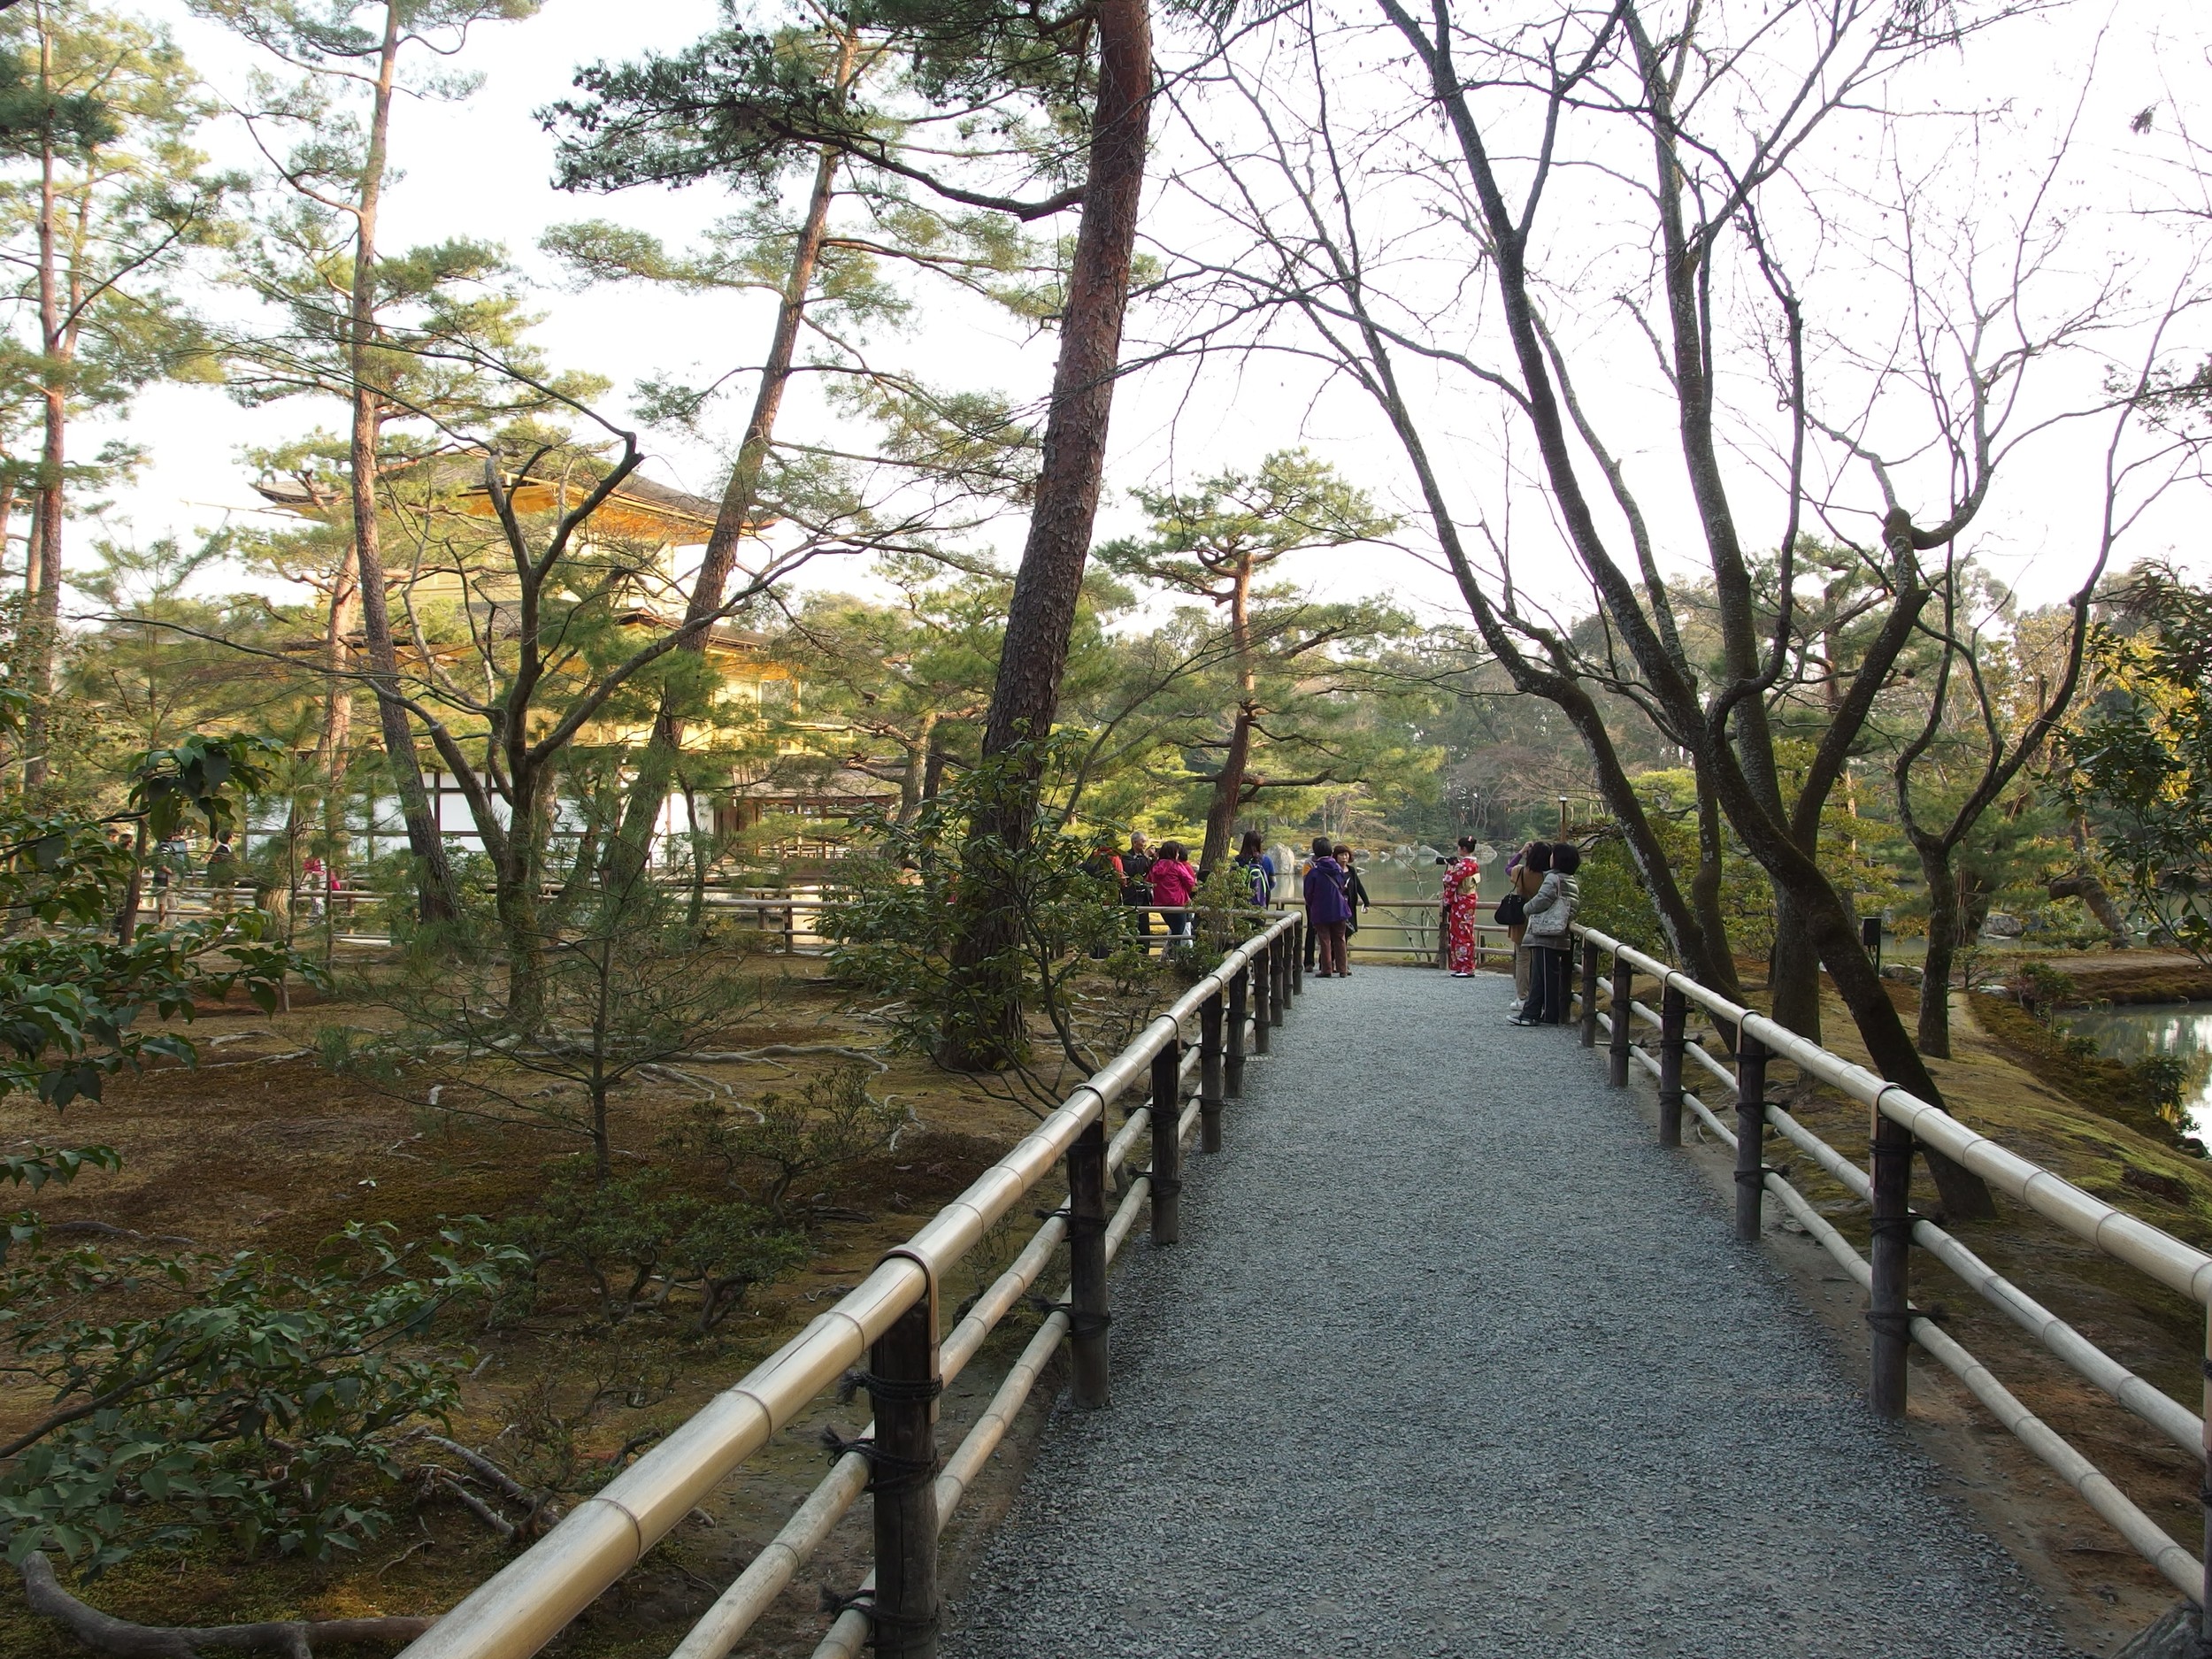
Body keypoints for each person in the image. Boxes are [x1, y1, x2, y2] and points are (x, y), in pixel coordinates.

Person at [1512, 841, 1581, 1025]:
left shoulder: (1553, 879)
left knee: (1542, 977)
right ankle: (1540, 1013)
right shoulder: (1570, 879)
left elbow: (1541, 900)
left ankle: (1538, 1014)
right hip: (1557, 933)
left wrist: (1526, 908)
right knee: (1546, 975)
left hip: (1546, 935)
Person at [1303, 834, 1351, 978]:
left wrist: (1312, 905)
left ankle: (1327, 969)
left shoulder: (1314, 872)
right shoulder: (1338, 869)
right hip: (1339, 908)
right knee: (1340, 938)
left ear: (1315, 853)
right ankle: (1343, 969)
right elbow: (1342, 887)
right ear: (1331, 852)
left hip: (1320, 909)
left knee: (1324, 939)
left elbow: (1308, 894)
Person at [1504, 841, 1548, 998]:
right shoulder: (1548, 876)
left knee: (1522, 960)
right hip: (1543, 921)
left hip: (1521, 920)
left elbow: (1507, 869)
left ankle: (1523, 996)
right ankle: (1539, 996)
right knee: (1539, 961)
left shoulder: (1520, 872)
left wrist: (1521, 852)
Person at [1440, 835, 1483, 976]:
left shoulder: (1463, 866)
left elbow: (1449, 881)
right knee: (1466, 931)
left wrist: (1449, 869)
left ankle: (1466, 967)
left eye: (1459, 847)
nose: (1458, 849)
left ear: (1463, 849)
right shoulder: (1473, 864)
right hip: (1469, 900)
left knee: (1461, 933)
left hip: (1462, 902)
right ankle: (1463, 966)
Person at [1148, 840, 1199, 945]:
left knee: (1174, 931)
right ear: (1174, 853)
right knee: (1178, 934)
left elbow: (1148, 881)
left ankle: (1169, 955)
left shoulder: (1155, 867)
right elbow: (1190, 883)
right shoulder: (1177, 866)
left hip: (1161, 904)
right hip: (1178, 903)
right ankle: (1173, 957)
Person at [1120, 830, 1156, 949]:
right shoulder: (1126, 856)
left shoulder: (1145, 858)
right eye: (1143, 842)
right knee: (1132, 926)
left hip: (1144, 896)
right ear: (1134, 842)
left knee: (1145, 928)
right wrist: (1145, 857)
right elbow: (1133, 870)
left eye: (1146, 842)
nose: (1145, 845)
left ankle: (1145, 954)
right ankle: (1128, 954)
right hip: (1131, 896)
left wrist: (1153, 859)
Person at [1336, 844, 1370, 958]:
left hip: (1349, 907)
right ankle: (1334, 961)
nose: (1344, 857)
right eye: (1341, 855)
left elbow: (1359, 886)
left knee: (1347, 933)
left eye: (1346, 854)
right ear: (1335, 856)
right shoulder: (1334, 870)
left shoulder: (1352, 870)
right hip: (1336, 908)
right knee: (1337, 935)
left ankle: (1342, 961)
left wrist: (1366, 902)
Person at [1231, 828, 1276, 909]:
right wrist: (1262, 892)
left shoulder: (1237, 861)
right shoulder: (1267, 860)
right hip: (1261, 904)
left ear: (1245, 843)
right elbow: (1273, 882)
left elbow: (1231, 882)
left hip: (1241, 906)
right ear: (1259, 843)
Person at [206, 831, 240, 917]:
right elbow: (212, 864)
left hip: (229, 879)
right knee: (221, 901)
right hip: (222, 880)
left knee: (229, 901)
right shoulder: (220, 851)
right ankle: (218, 919)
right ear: (229, 838)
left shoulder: (230, 849)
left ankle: (227, 920)